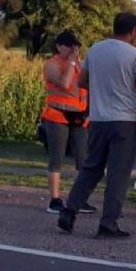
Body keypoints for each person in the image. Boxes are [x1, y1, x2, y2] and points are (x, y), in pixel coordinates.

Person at [57, 12, 136, 239]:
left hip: (98, 120)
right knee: (118, 173)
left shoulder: (95, 50)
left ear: (114, 28)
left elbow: (81, 81)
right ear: (133, 31)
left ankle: (69, 211)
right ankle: (108, 223)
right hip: (124, 122)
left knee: (91, 167)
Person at [41, 30, 95, 215]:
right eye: (70, 46)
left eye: (76, 46)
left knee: (83, 158)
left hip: (79, 116)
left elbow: (87, 86)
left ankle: (79, 199)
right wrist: (71, 63)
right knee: (57, 158)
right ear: (59, 46)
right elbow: (64, 84)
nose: (74, 49)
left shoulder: (80, 65)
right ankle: (55, 200)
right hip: (57, 115)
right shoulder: (52, 64)